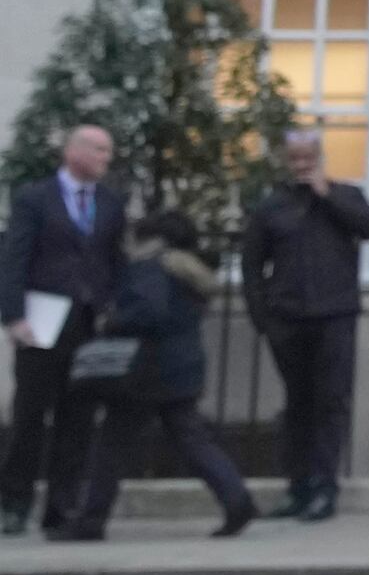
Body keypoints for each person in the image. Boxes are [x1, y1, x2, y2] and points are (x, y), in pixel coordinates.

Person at [48, 209, 257, 542]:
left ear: (152, 240)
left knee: (111, 446)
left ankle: (91, 520)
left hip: (144, 370)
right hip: (179, 366)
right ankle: (237, 500)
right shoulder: (187, 270)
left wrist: (111, 321)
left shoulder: (150, 268)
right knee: (193, 441)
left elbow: (149, 311)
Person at [241, 129, 369, 522]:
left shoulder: (344, 196)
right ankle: (297, 487)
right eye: (295, 158)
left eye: (309, 158)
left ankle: (325, 488)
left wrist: (328, 194)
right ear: (286, 161)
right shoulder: (272, 206)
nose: (302, 165)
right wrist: (263, 319)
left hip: (335, 316)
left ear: (320, 159)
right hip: (288, 319)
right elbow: (251, 265)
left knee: (330, 402)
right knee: (297, 406)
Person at [1, 122, 128, 538]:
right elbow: (15, 257)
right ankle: (14, 503)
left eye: (108, 152)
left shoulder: (110, 202)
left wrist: (115, 311)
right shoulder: (35, 198)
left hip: (88, 323)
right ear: (74, 152)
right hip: (41, 321)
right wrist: (13, 316)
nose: (106, 159)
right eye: (100, 151)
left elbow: (114, 261)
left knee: (77, 420)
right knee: (29, 418)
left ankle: (60, 507)